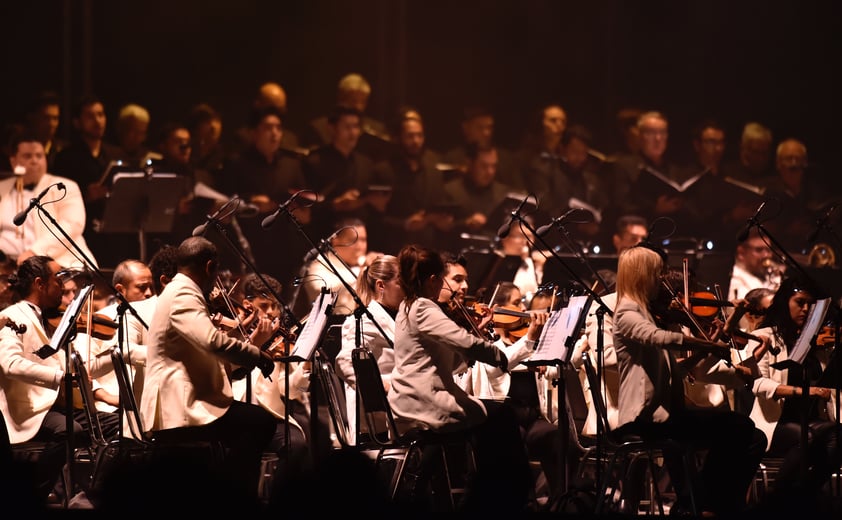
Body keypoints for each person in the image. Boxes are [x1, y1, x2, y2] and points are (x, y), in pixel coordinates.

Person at [612, 244, 766, 515]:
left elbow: (678, 371)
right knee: (737, 426)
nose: (661, 281)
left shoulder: (648, 312)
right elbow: (656, 338)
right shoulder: (627, 312)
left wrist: (710, 345)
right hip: (644, 418)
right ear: (642, 274)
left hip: (665, 414)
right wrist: (706, 346)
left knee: (754, 437)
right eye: (657, 274)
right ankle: (704, 504)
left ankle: (709, 503)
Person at [388, 244, 533, 512]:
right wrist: (498, 356)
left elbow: (449, 358)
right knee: (501, 417)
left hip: (412, 397)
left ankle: (489, 493)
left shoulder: (407, 306)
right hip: (426, 401)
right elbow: (461, 340)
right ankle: (499, 497)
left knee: (495, 419)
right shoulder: (423, 307)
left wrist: (474, 340)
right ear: (433, 280)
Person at [138, 236, 279, 504]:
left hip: (186, 398)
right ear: (209, 266)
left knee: (252, 422)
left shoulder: (178, 290)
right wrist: (256, 354)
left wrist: (237, 365)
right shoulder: (184, 292)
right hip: (178, 405)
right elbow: (210, 340)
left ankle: (222, 493)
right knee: (259, 423)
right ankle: (230, 497)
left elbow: (200, 348)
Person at [0, 256, 101, 504]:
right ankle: (27, 494)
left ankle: (95, 495)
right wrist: (61, 376)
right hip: (30, 407)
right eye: (58, 279)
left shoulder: (49, 319)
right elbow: (10, 364)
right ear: (40, 284)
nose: (62, 287)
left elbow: (66, 364)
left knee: (114, 425)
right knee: (71, 432)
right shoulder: (12, 316)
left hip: (57, 404)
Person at [456, 282, 562, 503]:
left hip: (532, 416)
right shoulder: (487, 339)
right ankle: (521, 503)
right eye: (515, 303)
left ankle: (560, 500)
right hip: (503, 416)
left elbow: (551, 368)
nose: (522, 310)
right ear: (498, 308)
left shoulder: (521, 339)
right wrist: (529, 340)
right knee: (509, 444)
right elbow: (496, 366)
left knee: (559, 438)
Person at [746, 277, 841, 511]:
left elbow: (828, 386)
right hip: (774, 423)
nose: (806, 309)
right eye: (800, 302)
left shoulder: (814, 344)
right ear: (785, 302)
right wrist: (800, 391)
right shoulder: (765, 335)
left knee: (836, 435)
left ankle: (800, 495)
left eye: (810, 304)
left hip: (811, 422)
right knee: (811, 438)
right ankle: (777, 498)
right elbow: (757, 383)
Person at [0, 131, 98, 268]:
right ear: (13, 161)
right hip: (8, 269)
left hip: (60, 265)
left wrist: (34, 252)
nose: (34, 161)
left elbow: (72, 224)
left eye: (39, 156)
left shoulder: (63, 187)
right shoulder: (2, 189)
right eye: (27, 156)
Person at [335, 254, 402, 443]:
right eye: (401, 282)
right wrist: (382, 387)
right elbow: (345, 362)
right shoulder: (365, 320)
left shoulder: (401, 316)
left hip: (403, 406)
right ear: (381, 286)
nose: (408, 289)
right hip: (381, 419)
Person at [727, 228, 782, 301]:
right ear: (741, 253)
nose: (766, 255)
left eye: (768, 250)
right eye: (759, 250)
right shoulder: (733, 280)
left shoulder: (774, 274)